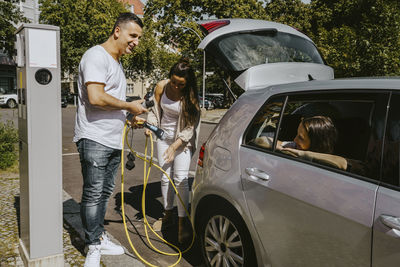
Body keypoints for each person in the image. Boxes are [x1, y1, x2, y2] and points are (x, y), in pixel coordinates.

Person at [73, 13, 146, 267]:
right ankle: (92, 246)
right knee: (93, 194)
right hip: (94, 137)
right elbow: (95, 97)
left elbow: (110, 104)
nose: (136, 42)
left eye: (138, 38)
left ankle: (98, 236)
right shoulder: (96, 56)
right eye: (133, 36)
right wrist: (129, 105)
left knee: (104, 193)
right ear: (117, 31)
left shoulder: (117, 63)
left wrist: (128, 117)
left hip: (113, 139)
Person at [146, 58, 201, 243]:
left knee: (181, 179)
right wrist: (150, 125)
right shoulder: (161, 86)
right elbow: (154, 111)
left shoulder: (191, 97)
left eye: (181, 84)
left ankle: (182, 221)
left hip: (181, 141)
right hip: (163, 137)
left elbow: (189, 129)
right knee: (165, 176)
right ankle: (167, 215)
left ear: (187, 83)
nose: (176, 87)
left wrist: (174, 147)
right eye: (174, 81)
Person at [255, 116, 347, 170]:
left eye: (301, 138)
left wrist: (303, 154)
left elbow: (343, 163)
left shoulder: (329, 162)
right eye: (297, 135)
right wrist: (283, 150)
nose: (295, 140)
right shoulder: (294, 147)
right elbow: (261, 140)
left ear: (317, 143)